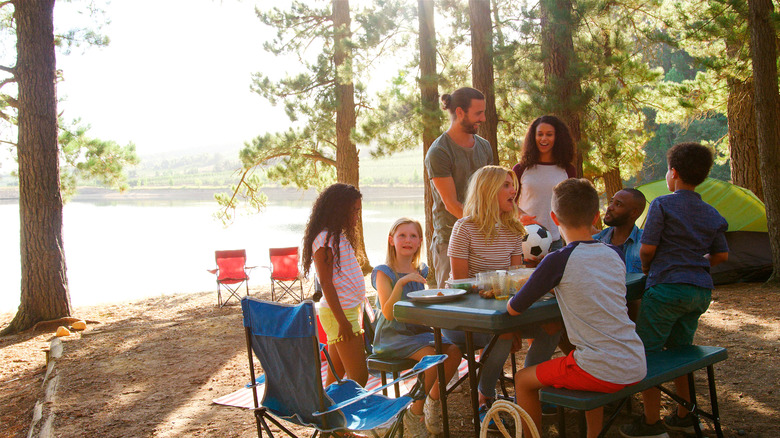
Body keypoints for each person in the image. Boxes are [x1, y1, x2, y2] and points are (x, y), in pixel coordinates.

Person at [508, 178, 647, 438]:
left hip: (600, 368)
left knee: (523, 380)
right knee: (582, 358)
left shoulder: (557, 260)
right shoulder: (613, 253)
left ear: (553, 217)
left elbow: (515, 308)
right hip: (635, 360)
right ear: (596, 216)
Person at [620, 143, 729, 438]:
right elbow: (721, 256)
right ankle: (684, 415)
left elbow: (648, 248)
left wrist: (646, 268)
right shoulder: (711, 212)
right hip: (699, 293)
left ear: (674, 173)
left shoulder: (663, 205)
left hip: (666, 288)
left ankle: (651, 422)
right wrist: (697, 261)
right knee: (682, 353)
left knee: (648, 353)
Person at [444, 165, 559, 421]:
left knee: (552, 325)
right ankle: (485, 398)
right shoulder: (464, 228)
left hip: (504, 313)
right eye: (506, 185)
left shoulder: (513, 229)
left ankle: (527, 390)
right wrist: (497, 290)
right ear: (488, 191)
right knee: (505, 333)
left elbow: (515, 280)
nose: (514, 190)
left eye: (513, 185)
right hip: (465, 315)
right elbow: (461, 284)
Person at [371, 218, 462, 436]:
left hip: (417, 331)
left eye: (413, 236)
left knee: (454, 351)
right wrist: (401, 283)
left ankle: (432, 400)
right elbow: (388, 313)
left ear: (420, 241)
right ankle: (414, 413)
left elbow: (423, 304)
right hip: (392, 335)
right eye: (402, 235)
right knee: (432, 358)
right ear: (391, 240)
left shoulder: (421, 270)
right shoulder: (384, 272)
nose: (407, 240)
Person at [425, 87, 493, 288]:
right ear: (460, 112)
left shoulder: (485, 146)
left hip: (483, 236)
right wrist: (484, 226)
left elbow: (492, 191)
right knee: (452, 306)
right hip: (450, 240)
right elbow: (451, 204)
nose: (483, 118)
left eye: (483, 112)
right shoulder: (439, 152)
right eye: (478, 113)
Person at [301, 183, 368, 387]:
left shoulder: (336, 236)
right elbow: (327, 284)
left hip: (346, 311)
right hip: (341, 315)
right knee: (359, 378)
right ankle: (347, 417)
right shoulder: (324, 239)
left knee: (336, 376)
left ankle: (326, 416)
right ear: (339, 209)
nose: (357, 216)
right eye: (354, 211)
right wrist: (343, 322)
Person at [512, 115, 577, 252]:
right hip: (525, 240)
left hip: (556, 241)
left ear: (558, 137)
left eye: (549, 134)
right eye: (539, 134)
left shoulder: (568, 170)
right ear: (533, 137)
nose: (544, 139)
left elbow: (571, 206)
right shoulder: (521, 169)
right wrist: (521, 215)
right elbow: (508, 201)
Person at [593, 188, 647, 274]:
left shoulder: (645, 243)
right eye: (611, 202)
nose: (610, 207)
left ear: (633, 213)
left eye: (618, 204)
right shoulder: (594, 242)